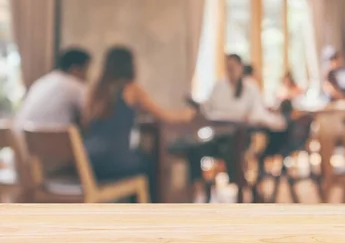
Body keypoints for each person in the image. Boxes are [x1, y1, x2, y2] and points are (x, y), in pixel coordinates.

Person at [83, 46, 196, 202]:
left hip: (89, 162)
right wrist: (188, 114)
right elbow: (164, 116)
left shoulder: (96, 90)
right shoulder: (131, 89)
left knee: (139, 157)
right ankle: (151, 211)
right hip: (113, 163)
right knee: (153, 163)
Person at [14, 48, 91, 131]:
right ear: (75, 69)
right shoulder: (74, 84)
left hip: (21, 139)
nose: (88, 75)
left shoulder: (44, 81)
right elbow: (92, 113)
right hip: (50, 140)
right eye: (87, 70)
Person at [203, 54, 285, 130]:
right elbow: (209, 108)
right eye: (228, 68)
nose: (231, 71)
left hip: (242, 130)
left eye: (233, 67)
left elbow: (257, 111)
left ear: (240, 67)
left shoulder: (250, 86)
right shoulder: (219, 85)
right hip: (219, 127)